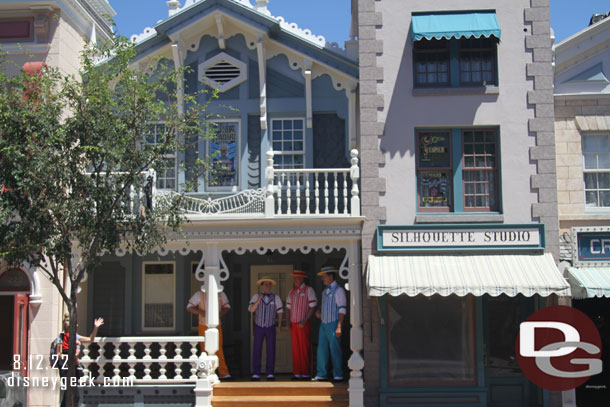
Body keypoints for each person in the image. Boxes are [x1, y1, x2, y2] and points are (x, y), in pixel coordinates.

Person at [57, 314, 104, 407]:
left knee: (70, 393)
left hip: (74, 367)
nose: (78, 326)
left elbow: (91, 339)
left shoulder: (76, 337)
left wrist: (96, 327)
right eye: (76, 324)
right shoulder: (61, 338)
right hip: (66, 368)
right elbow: (59, 353)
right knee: (73, 394)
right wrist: (70, 357)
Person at [186, 287, 232, 380]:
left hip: (216, 325)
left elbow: (227, 307)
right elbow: (189, 307)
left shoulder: (220, 294)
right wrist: (201, 312)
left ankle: (223, 373)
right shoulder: (199, 294)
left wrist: (220, 313)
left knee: (218, 348)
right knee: (204, 349)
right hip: (203, 325)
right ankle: (206, 372)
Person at [312, 266, 346, 382]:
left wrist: (339, 326)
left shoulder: (338, 290)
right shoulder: (325, 291)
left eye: (324, 277)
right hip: (324, 323)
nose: (323, 279)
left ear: (331, 276)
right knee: (322, 349)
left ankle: (338, 374)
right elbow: (324, 305)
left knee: (335, 348)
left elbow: (342, 309)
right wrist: (319, 312)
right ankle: (321, 373)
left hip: (333, 323)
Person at [248, 277, 283, 381]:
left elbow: (280, 312)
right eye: (265, 284)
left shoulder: (276, 297)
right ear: (262, 286)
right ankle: (256, 373)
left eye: (269, 284)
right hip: (259, 326)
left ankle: (270, 373)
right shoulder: (256, 296)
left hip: (270, 326)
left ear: (271, 286)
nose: (267, 286)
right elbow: (251, 310)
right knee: (257, 349)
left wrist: (279, 326)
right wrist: (258, 301)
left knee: (271, 349)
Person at [286, 270, 317, 380]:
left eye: (298, 278)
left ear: (303, 278)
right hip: (294, 324)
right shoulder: (292, 291)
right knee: (295, 349)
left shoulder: (308, 290)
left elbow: (312, 306)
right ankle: (297, 373)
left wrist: (305, 320)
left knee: (304, 348)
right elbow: (288, 308)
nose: (295, 280)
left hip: (303, 324)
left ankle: (305, 373)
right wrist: (288, 321)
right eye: (294, 278)